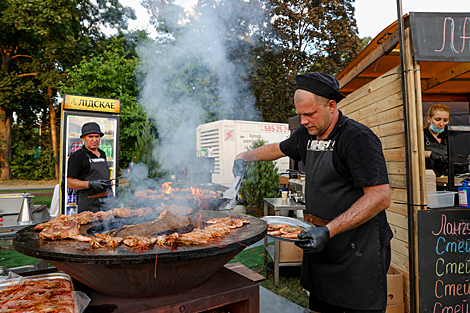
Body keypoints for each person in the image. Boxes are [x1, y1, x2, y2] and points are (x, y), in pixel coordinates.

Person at [233, 72, 393, 312]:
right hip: (321, 246)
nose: (304, 121)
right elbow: (277, 148)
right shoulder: (306, 136)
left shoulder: (357, 138)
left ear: (331, 105)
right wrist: (244, 157)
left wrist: (328, 232)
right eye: (300, 115)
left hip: (357, 251)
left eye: (309, 114)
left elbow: (380, 197)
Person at [67, 122, 112, 213]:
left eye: (97, 136)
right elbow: (70, 182)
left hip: (107, 203)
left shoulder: (102, 153)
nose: (94, 140)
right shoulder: (77, 156)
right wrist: (90, 184)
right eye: (90, 136)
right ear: (83, 138)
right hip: (89, 207)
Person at [423, 104, 450, 177]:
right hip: (426, 180)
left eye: (445, 120)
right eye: (437, 120)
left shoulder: (448, 137)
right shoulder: (420, 135)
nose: (442, 124)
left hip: (443, 180)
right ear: (429, 119)